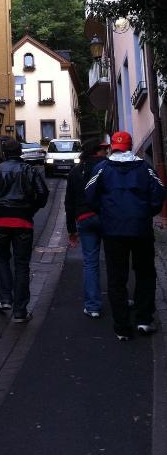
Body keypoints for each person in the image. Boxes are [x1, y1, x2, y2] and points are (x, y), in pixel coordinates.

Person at [85, 130, 166, 341]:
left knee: (116, 278)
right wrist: (147, 211)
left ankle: (121, 327)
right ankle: (144, 320)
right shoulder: (144, 167)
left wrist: (104, 212)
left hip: (113, 230)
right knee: (145, 273)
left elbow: (89, 193)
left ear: (112, 147)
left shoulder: (102, 168)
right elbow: (159, 191)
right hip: (140, 228)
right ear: (130, 147)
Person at [0, 138, 49, 322]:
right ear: (20, 152)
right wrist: (31, 209)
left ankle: (5, 298)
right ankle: (20, 311)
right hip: (23, 221)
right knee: (22, 264)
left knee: (2, 258)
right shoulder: (29, 170)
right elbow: (43, 193)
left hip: (0, 220)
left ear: (4, 153)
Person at [65, 139, 109, 318]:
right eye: (104, 150)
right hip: (106, 217)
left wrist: (71, 230)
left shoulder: (75, 171)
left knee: (90, 262)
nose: (106, 152)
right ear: (96, 151)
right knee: (114, 259)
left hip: (84, 218)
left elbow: (69, 203)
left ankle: (92, 306)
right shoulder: (108, 167)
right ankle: (119, 299)